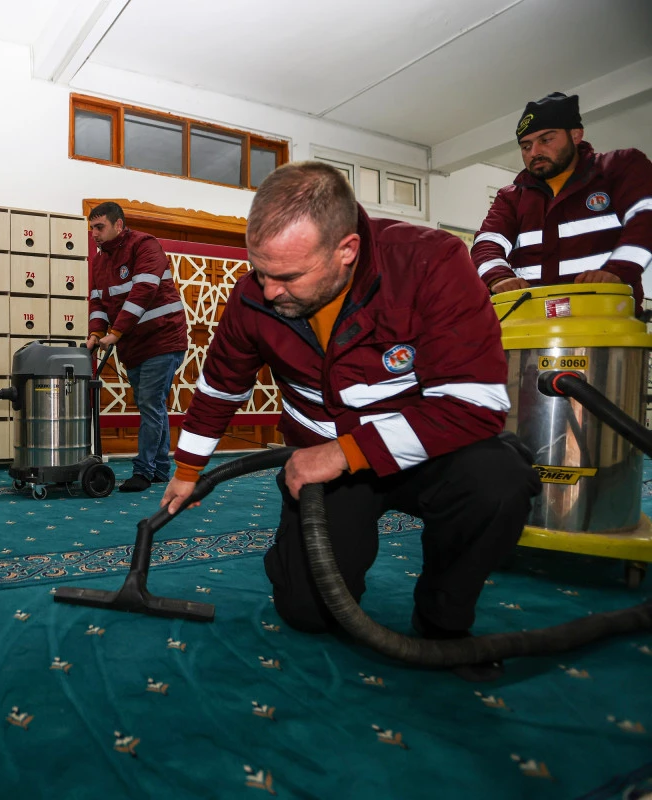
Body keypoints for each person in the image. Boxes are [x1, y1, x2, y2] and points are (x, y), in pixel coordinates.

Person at [161, 161, 541, 681]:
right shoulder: (253, 296)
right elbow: (221, 386)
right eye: (260, 271)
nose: (268, 291)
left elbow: (476, 402)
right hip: (328, 469)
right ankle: (295, 554)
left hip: (426, 452)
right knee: (308, 613)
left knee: (498, 481)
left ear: (347, 250)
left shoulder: (431, 262)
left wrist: (345, 451)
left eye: (288, 276)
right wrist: (187, 470)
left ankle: (443, 620)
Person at [473, 91, 652, 305]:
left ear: (575, 135)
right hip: (531, 319)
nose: (534, 152)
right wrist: (499, 277)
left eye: (546, 140)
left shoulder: (618, 169)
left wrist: (617, 271)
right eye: (526, 146)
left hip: (607, 313)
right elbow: (487, 242)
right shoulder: (511, 196)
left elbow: (645, 219)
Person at [86, 202, 189, 493]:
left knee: (149, 404)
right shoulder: (100, 261)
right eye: (92, 228)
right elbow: (98, 301)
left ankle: (143, 471)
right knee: (153, 405)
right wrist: (96, 332)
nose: (94, 234)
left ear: (118, 225)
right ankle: (160, 469)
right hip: (134, 345)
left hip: (163, 338)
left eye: (99, 227)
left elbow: (144, 291)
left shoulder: (145, 245)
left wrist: (116, 332)